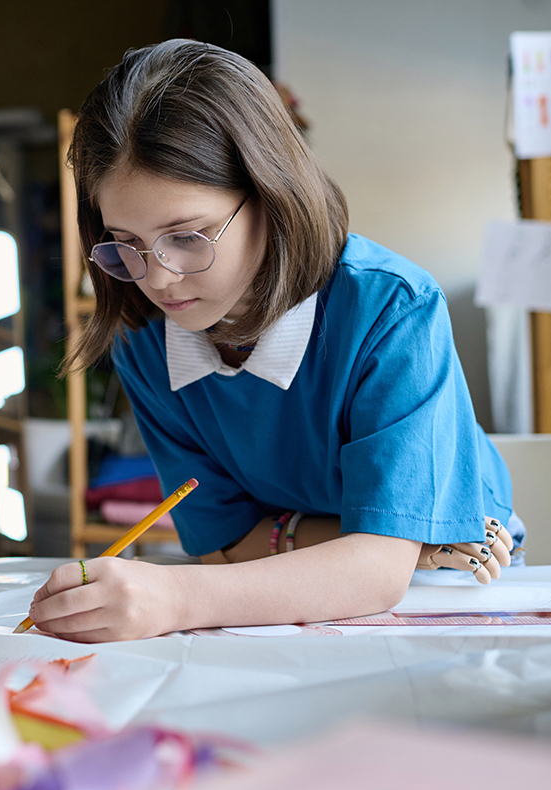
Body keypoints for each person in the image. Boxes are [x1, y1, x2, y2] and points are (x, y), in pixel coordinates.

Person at [28, 40, 524, 642]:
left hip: (454, 594)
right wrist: (393, 540)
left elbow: (374, 578)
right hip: (293, 604)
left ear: (271, 196)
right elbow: (222, 548)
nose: (156, 278)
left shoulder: (391, 308)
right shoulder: (144, 339)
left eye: (187, 236)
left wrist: (186, 592)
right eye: (125, 243)